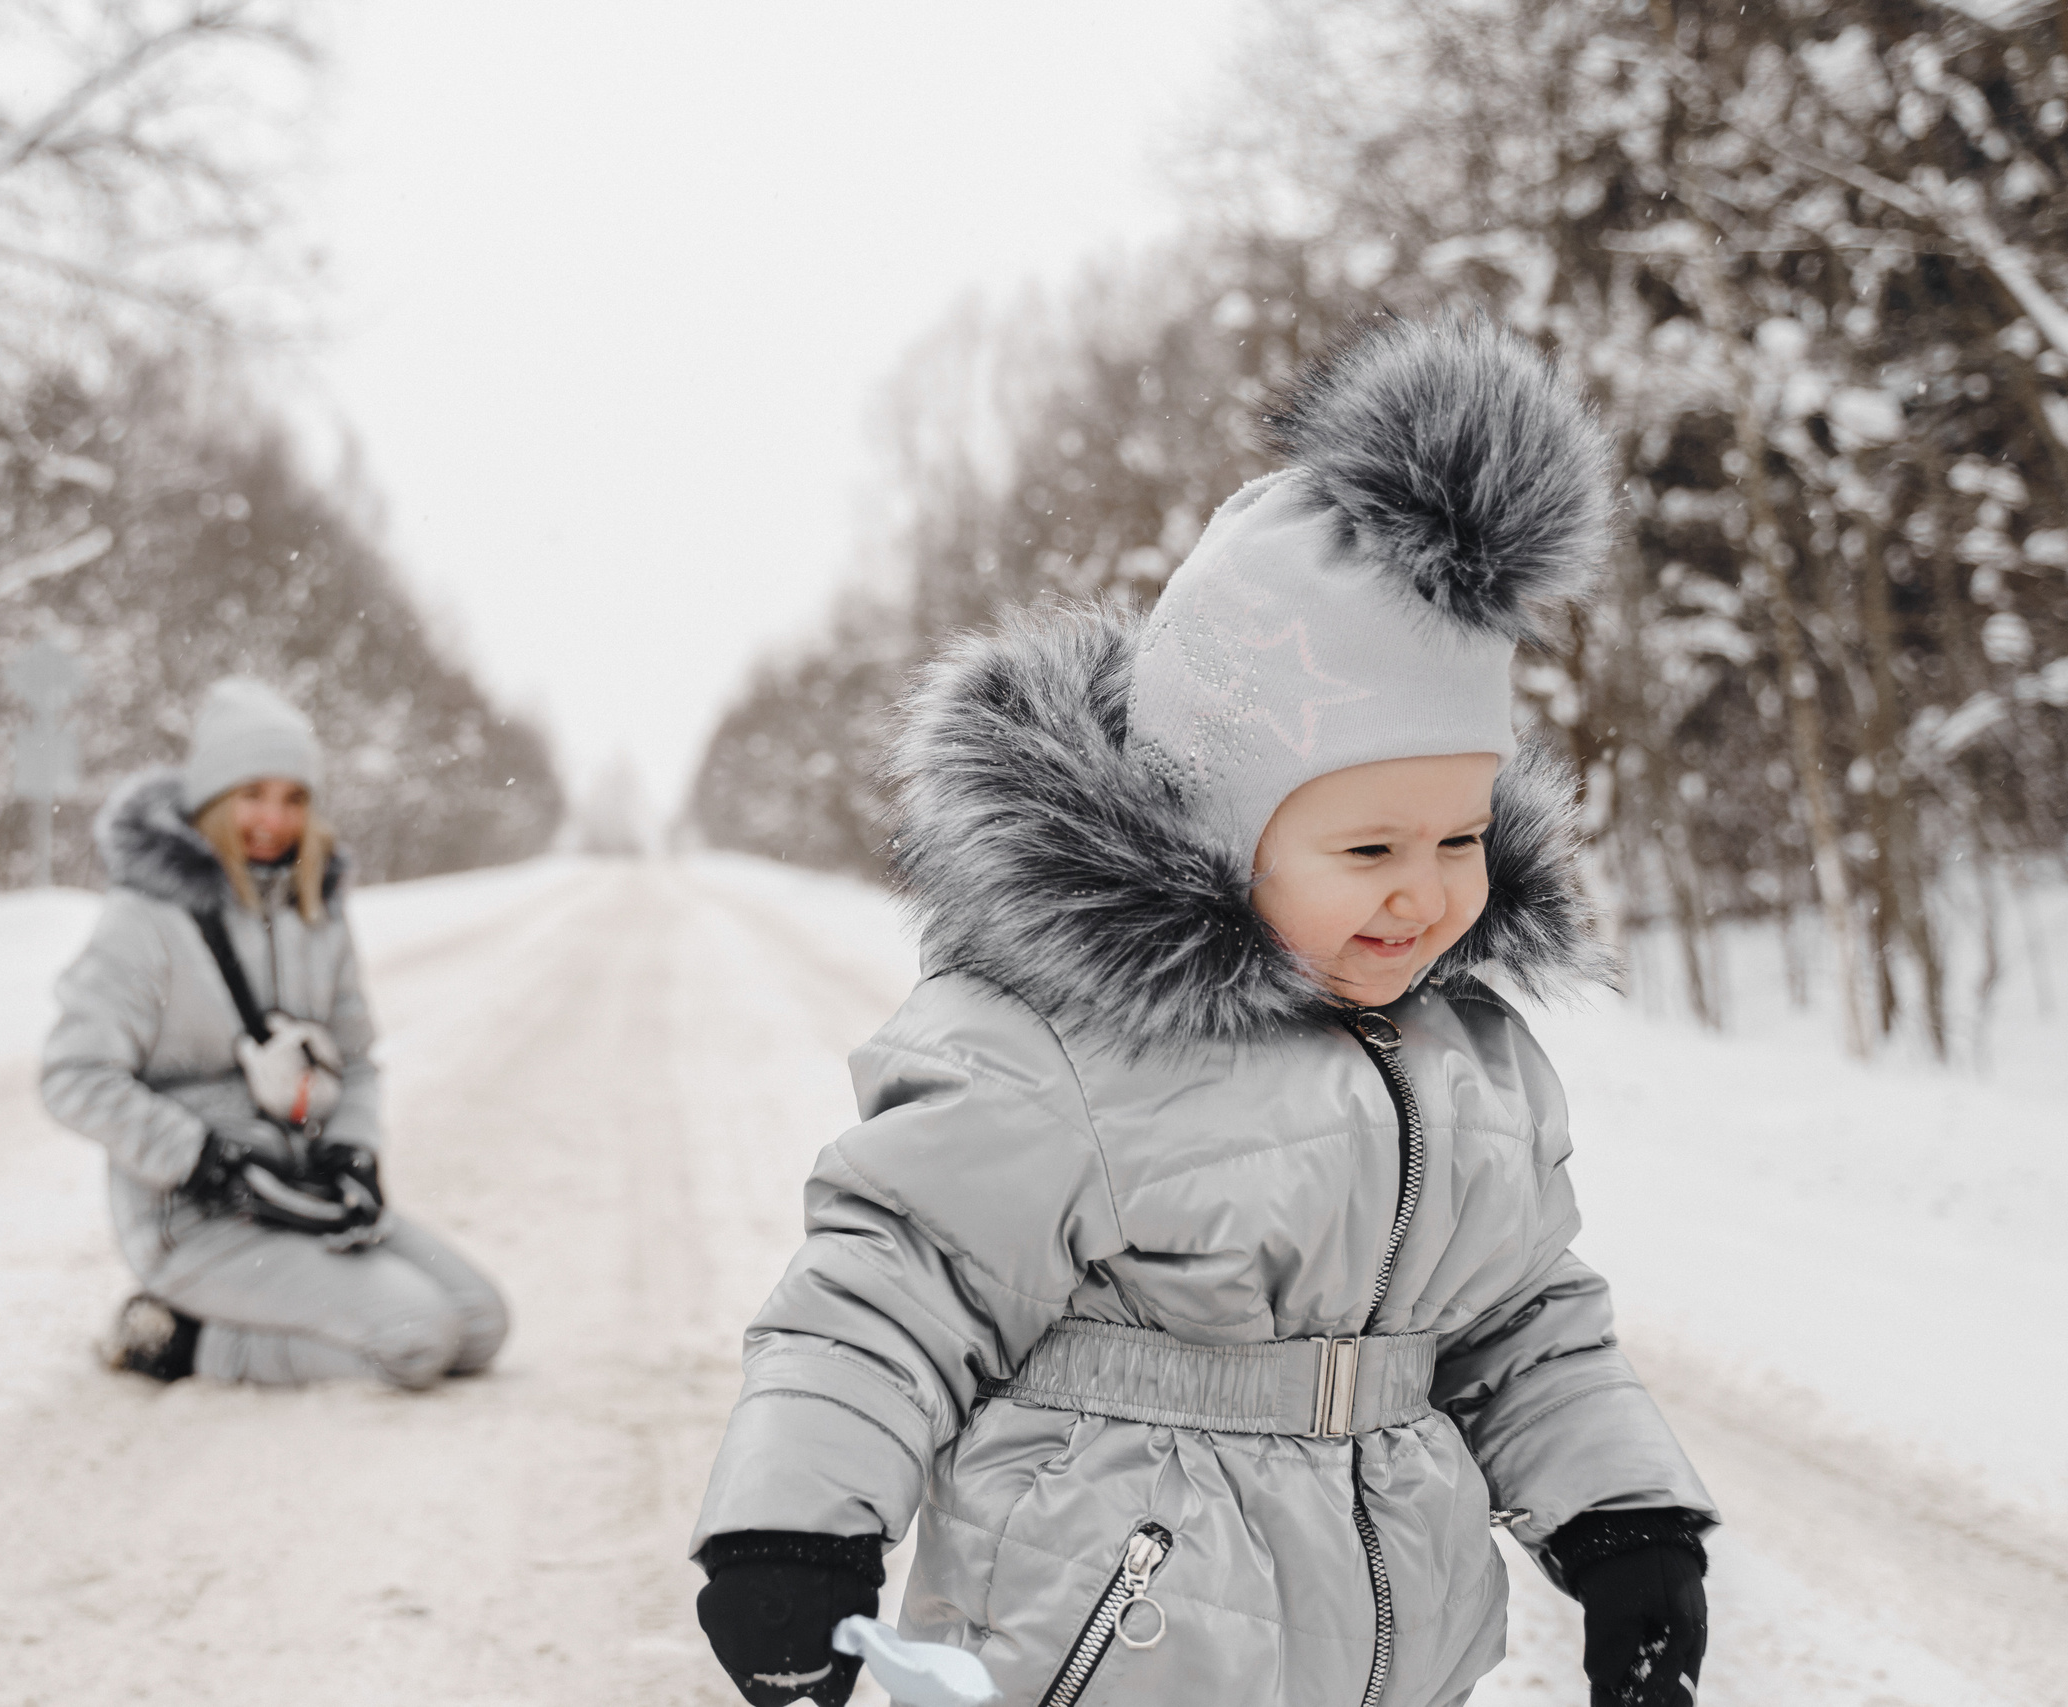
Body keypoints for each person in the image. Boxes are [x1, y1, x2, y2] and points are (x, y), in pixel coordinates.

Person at [689, 318, 1716, 1707]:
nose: (1421, 894)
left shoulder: (1472, 1054)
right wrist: (794, 1530)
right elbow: (887, 1290)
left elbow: (1525, 1320)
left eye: (1458, 837)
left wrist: (1625, 1523)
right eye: (1366, 849)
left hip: (1390, 1653)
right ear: (1220, 829)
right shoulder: (1063, 1044)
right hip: (1115, 1638)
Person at [41, 677, 508, 1389]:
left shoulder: (314, 902)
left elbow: (355, 1057)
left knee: (480, 1325)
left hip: (302, 1192)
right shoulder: (145, 919)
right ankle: (181, 1337)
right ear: (212, 798)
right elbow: (71, 1076)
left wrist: (354, 1147)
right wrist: (200, 1156)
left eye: (294, 798)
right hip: (196, 1216)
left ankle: (265, 1313)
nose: (273, 818)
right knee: (418, 1339)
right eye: (252, 794)